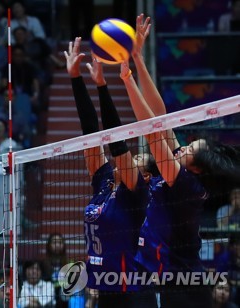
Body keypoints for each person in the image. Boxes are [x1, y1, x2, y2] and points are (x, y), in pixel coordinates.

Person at [123, 13, 240, 308]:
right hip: (163, 278)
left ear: (196, 168)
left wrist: (126, 80)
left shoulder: (185, 183)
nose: (183, 149)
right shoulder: (182, 166)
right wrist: (138, 58)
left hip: (182, 286)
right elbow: (161, 119)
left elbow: (151, 132)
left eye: (189, 151)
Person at [64, 37, 157, 307]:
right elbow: (91, 135)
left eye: (138, 157)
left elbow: (117, 143)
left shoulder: (137, 192)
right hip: (105, 291)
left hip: (134, 293)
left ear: (147, 176)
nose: (131, 158)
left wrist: (104, 86)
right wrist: (76, 79)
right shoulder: (105, 183)